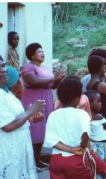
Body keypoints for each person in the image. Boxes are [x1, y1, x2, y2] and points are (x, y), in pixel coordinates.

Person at [0, 50, 46, 179]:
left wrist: (30, 117)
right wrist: (29, 112)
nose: (4, 70)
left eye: (3, 65)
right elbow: (7, 126)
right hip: (3, 149)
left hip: (13, 148)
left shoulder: (0, 90)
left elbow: (12, 117)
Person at [44, 76, 106, 179]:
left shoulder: (53, 115)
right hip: (77, 159)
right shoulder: (81, 114)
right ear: (77, 98)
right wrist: (82, 146)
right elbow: (85, 134)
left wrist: (70, 149)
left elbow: (51, 141)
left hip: (56, 160)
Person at [21, 43, 65, 171]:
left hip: (46, 97)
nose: (42, 53)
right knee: (34, 128)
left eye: (42, 51)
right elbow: (33, 81)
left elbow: (52, 85)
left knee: (42, 129)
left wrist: (58, 79)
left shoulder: (45, 68)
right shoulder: (28, 67)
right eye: (39, 51)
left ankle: (37, 159)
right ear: (32, 55)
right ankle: (31, 161)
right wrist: (53, 77)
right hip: (34, 99)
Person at [7, 31, 23, 99]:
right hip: (11, 79)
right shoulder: (8, 50)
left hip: (17, 77)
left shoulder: (15, 51)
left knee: (19, 95)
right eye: (14, 39)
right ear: (9, 40)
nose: (17, 41)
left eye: (18, 39)